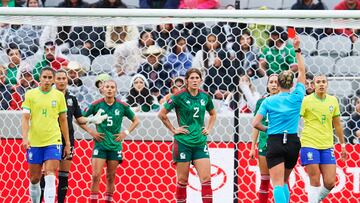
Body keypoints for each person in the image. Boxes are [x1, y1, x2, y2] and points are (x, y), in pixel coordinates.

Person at [38, 69, 108, 203]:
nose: (61, 81)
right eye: (58, 79)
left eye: (63, 79)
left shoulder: (72, 99)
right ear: (53, 80)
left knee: (64, 175)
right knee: (47, 174)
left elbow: (79, 118)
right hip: (49, 139)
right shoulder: (47, 96)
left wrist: (91, 120)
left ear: (67, 80)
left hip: (67, 140)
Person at [252, 36, 305, 203]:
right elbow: (302, 72)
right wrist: (297, 50)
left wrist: (268, 129)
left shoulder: (268, 101)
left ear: (278, 83)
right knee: (284, 181)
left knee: (276, 184)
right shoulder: (297, 96)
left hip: (274, 141)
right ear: (290, 85)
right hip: (292, 141)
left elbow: (255, 123)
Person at [158, 68, 217, 203]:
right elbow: (161, 114)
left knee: (206, 179)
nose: (195, 80)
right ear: (187, 80)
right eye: (192, 78)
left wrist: (208, 128)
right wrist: (173, 129)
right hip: (183, 143)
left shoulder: (205, 96)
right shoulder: (179, 96)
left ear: (201, 80)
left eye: (197, 78)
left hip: (200, 143)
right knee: (183, 180)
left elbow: (213, 114)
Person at [83, 80, 140, 203]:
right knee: (95, 176)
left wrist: (125, 133)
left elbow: (136, 120)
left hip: (115, 146)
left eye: (112, 87)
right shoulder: (96, 105)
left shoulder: (122, 106)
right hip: (100, 145)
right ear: (102, 89)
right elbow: (79, 119)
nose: (109, 89)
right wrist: (91, 131)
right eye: (107, 87)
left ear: (116, 90)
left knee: (110, 177)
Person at [21, 67, 71, 203]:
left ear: (53, 80)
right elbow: (25, 118)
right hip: (35, 141)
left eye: (50, 78)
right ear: (40, 78)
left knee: (50, 175)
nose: (47, 80)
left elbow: (63, 120)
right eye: (45, 77)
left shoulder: (59, 96)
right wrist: (25, 138)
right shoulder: (30, 95)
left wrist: (67, 143)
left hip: (53, 140)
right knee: (34, 179)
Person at [300, 74, 347, 203]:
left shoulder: (333, 100)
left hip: (327, 145)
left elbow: (337, 124)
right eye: (318, 82)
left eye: (324, 82)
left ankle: (314, 200)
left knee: (330, 182)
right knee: (314, 180)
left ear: (327, 84)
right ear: (313, 85)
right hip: (309, 143)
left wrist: (343, 145)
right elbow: (295, 118)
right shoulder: (306, 100)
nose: (321, 84)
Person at [249, 74, 279, 203]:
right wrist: (252, 147)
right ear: (267, 85)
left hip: (280, 145)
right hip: (264, 144)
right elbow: (256, 126)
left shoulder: (285, 101)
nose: (273, 84)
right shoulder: (261, 102)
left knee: (281, 182)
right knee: (265, 180)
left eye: (276, 82)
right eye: (271, 82)